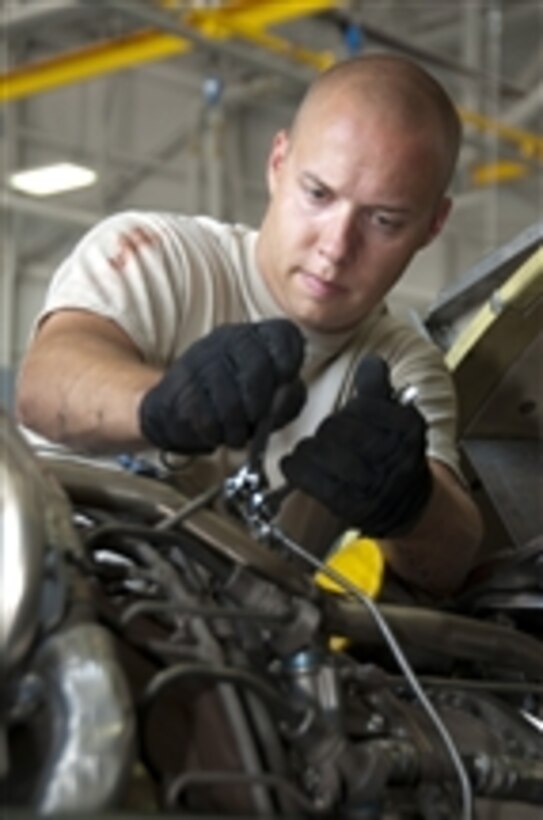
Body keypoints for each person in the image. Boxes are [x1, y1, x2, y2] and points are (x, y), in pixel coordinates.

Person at [16, 54, 483, 597]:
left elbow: (453, 557)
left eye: (383, 221)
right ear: (278, 163)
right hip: (42, 604)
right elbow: (44, 383)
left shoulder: (399, 368)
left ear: (433, 226)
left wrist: (413, 503)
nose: (335, 248)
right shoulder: (159, 257)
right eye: (318, 195)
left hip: (222, 650)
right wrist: (163, 403)